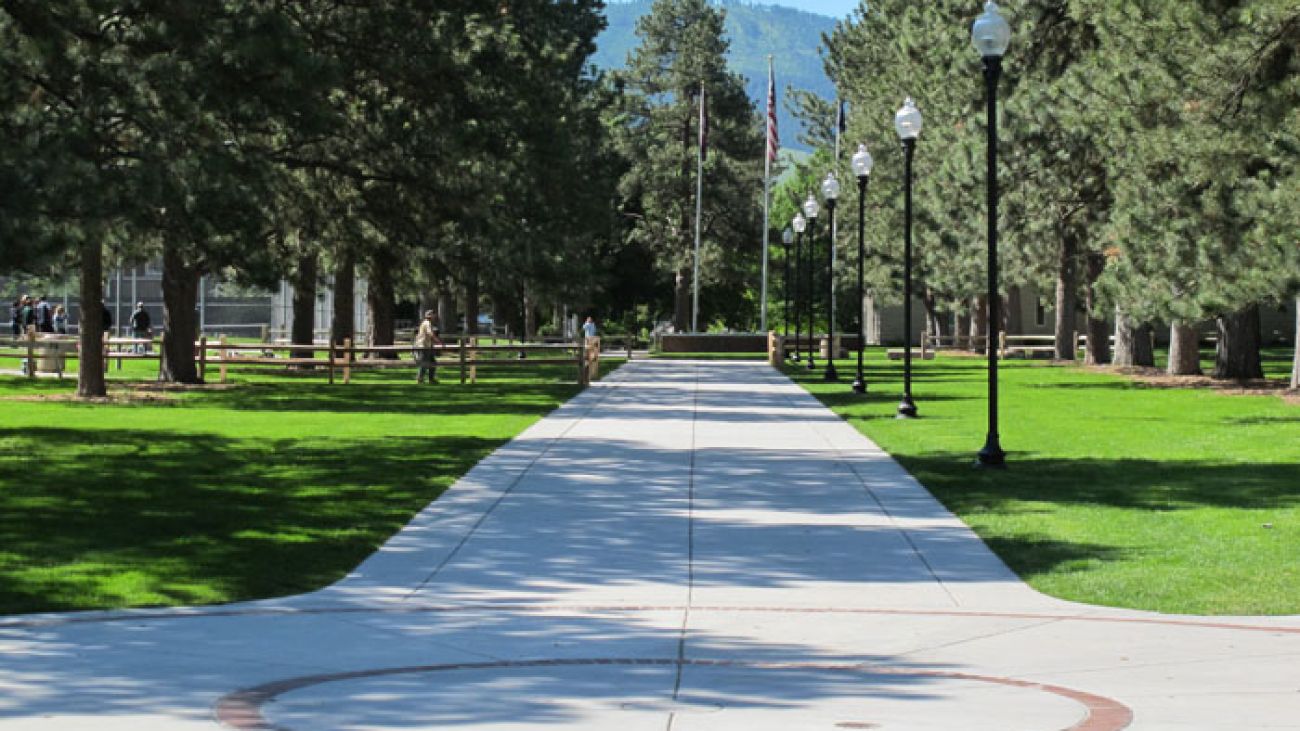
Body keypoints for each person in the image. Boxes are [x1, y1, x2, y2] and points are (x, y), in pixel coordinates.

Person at [413, 310, 444, 384]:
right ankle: (420, 379)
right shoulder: (427, 323)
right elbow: (430, 333)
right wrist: (438, 342)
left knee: (432, 362)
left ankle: (431, 379)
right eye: (433, 315)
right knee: (424, 363)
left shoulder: (425, 323)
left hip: (427, 346)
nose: (434, 316)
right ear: (430, 316)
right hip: (424, 346)